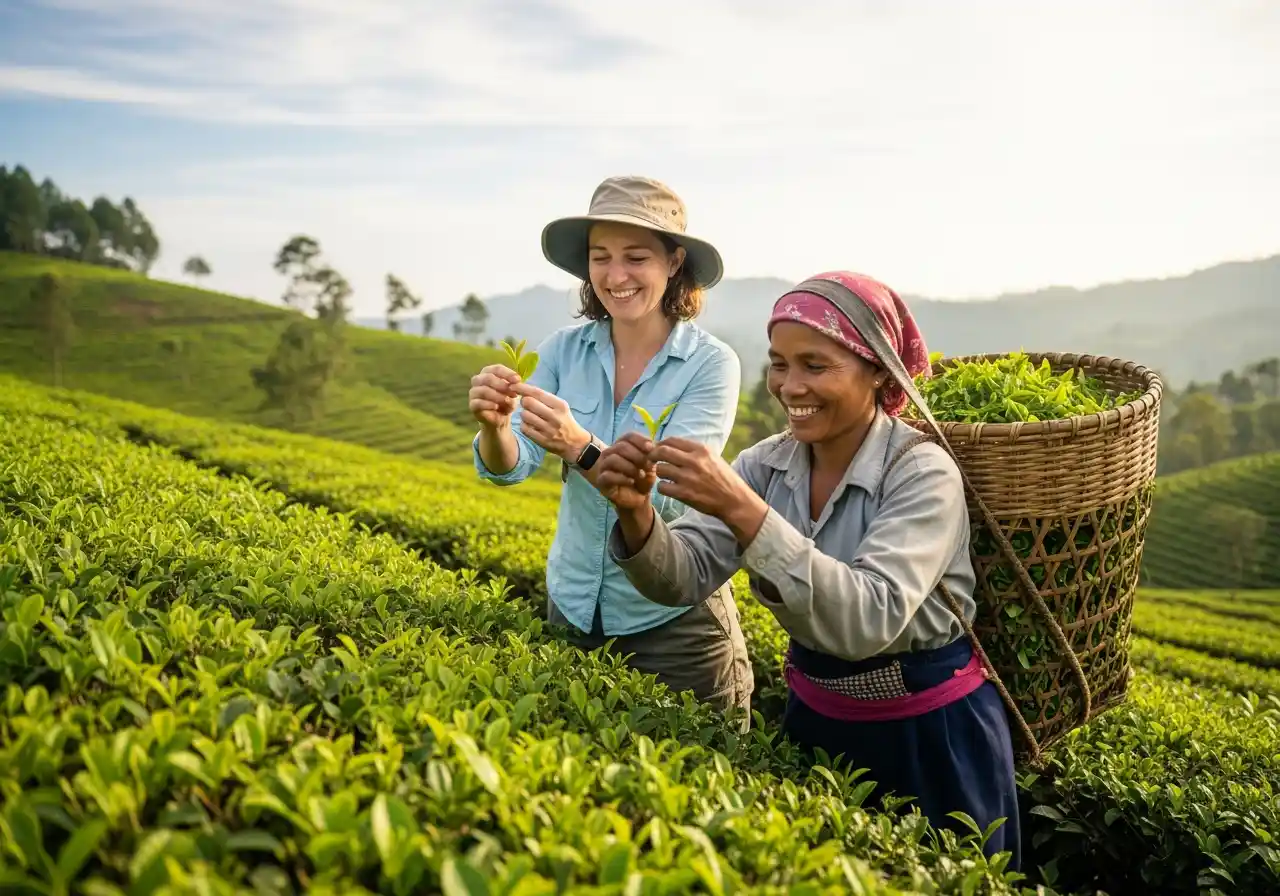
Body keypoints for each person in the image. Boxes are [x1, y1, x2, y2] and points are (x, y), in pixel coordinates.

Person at [591, 270, 1022, 867]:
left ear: (877, 371)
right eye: (778, 364)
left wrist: (745, 511)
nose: (790, 386)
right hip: (817, 725)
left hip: (929, 738)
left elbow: (868, 620)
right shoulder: (765, 465)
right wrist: (636, 512)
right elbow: (681, 579)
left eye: (815, 366)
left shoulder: (921, 474)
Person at [467, 175, 753, 725]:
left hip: (670, 620)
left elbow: (675, 497)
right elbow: (510, 468)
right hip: (571, 607)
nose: (615, 276)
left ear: (673, 263)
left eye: (635, 257)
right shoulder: (563, 351)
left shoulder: (711, 365)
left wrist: (581, 447)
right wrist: (495, 426)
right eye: (601, 257)